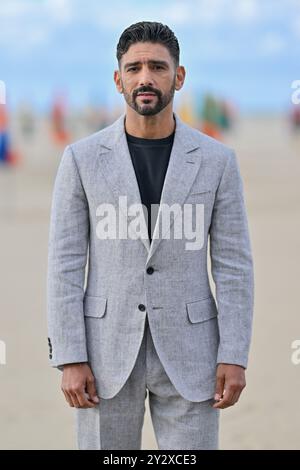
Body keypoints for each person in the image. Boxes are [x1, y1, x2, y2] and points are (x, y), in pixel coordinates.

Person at [47, 21, 254, 450]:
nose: (145, 77)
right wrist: (70, 356)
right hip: (104, 354)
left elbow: (234, 265)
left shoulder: (218, 161)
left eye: (157, 67)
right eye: (134, 67)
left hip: (193, 352)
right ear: (118, 78)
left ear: (178, 77)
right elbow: (64, 264)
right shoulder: (81, 159)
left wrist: (233, 354)